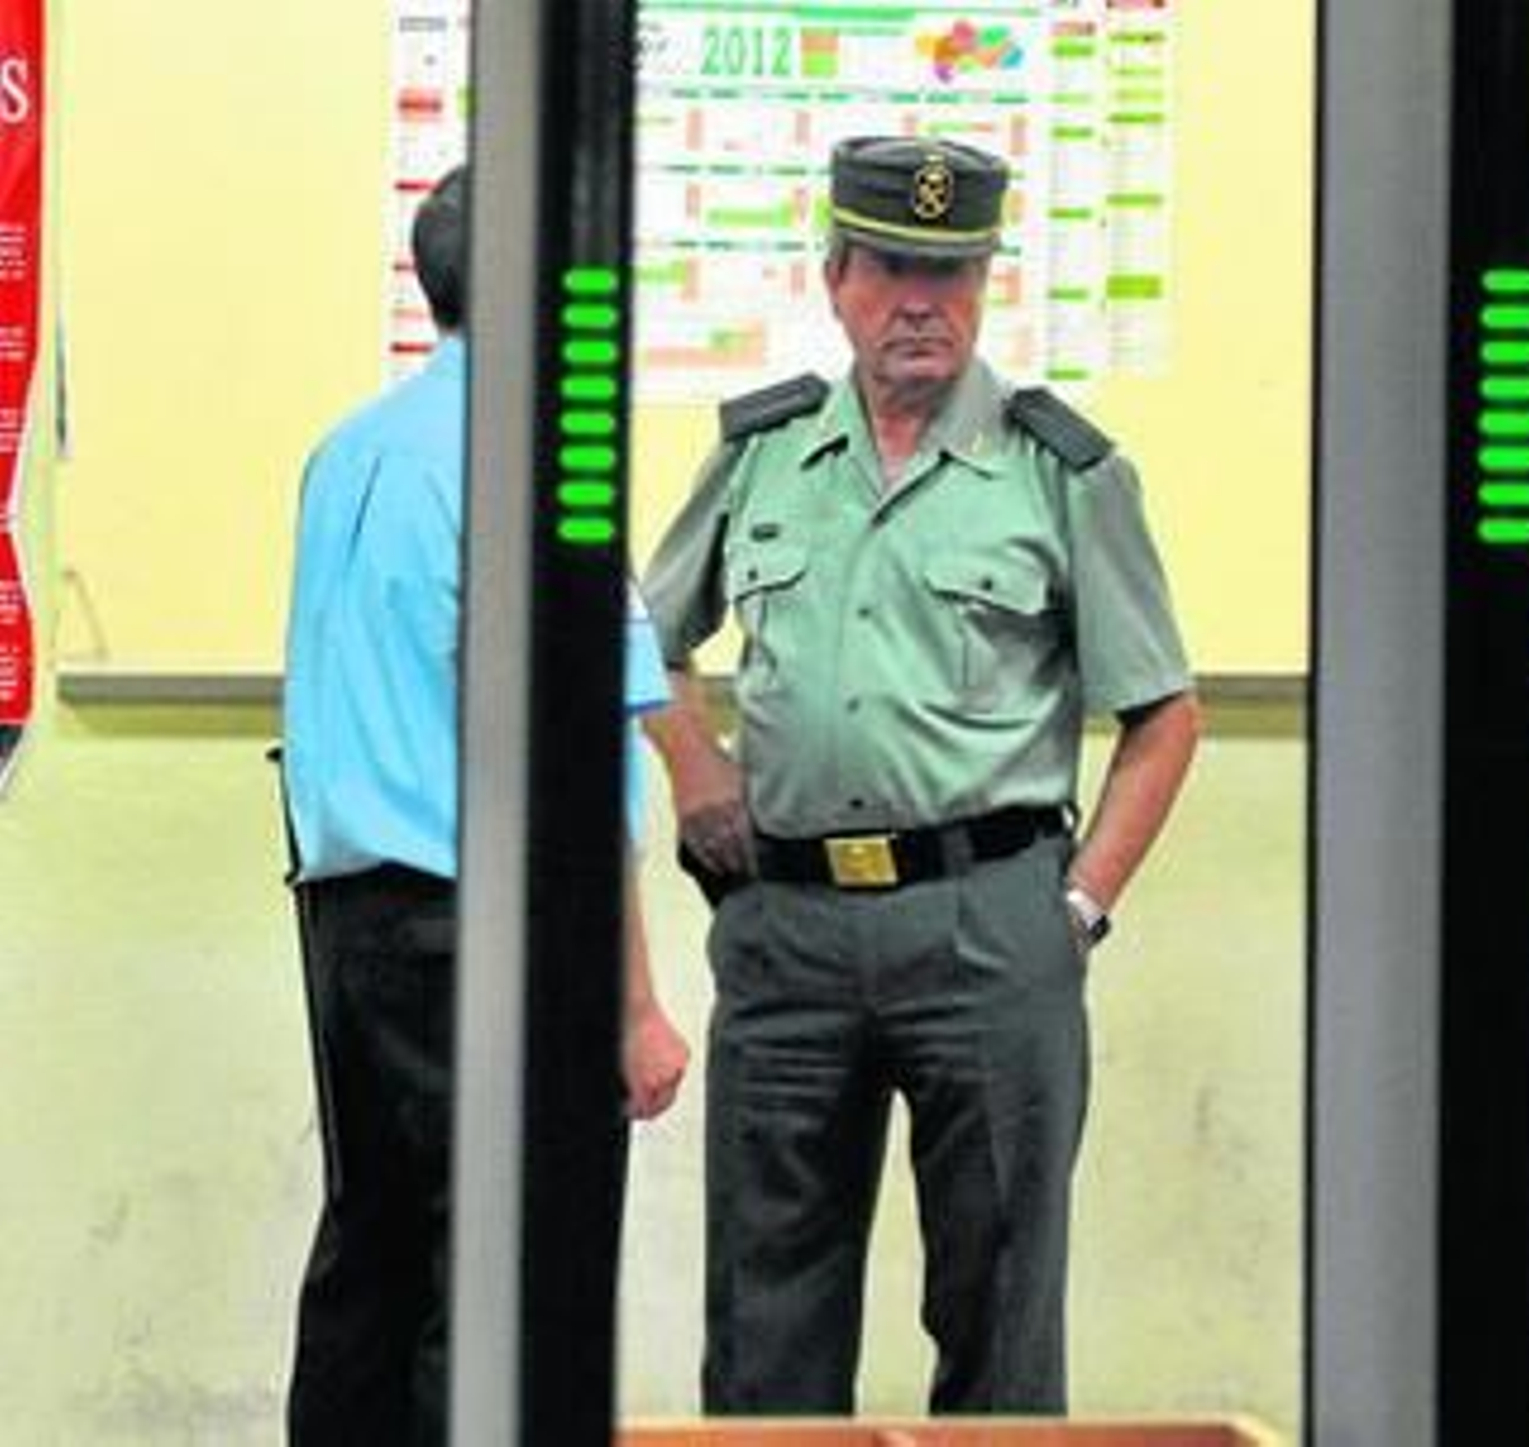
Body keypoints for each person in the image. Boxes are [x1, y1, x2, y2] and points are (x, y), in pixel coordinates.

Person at [641, 135, 1199, 1416]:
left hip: (990, 927)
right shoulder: (762, 457)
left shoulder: (1065, 472)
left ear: (986, 285)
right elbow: (645, 641)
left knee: (1000, 1317)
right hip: (787, 934)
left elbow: (1162, 715)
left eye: (953, 274)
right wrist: (694, 773)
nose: (921, 303)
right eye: (893, 268)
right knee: (764, 1319)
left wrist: (1076, 909)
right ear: (833, 275)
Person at [280, 164, 689, 1445]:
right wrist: (634, 1004)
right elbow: (578, 764)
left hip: (348, 925)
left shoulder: (346, 451)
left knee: (374, 1257)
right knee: (512, 1273)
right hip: (490, 930)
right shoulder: (538, 462)